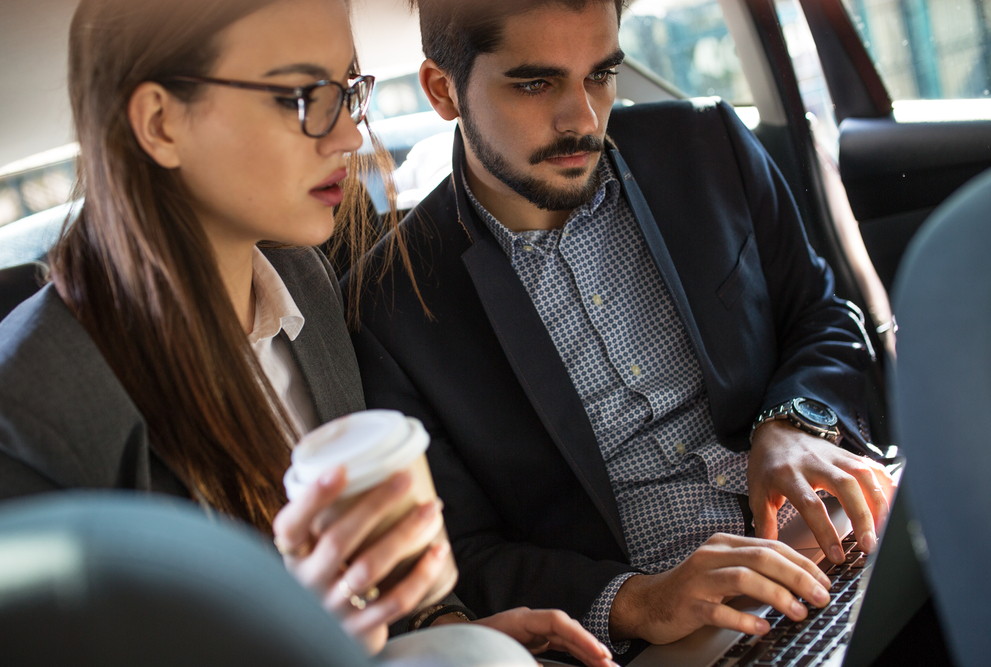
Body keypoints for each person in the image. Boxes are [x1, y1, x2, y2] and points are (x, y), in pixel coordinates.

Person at [0, 0, 615, 664]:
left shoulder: (306, 286)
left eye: (349, 92)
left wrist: (448, 625)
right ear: (160, 122)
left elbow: (366, 599)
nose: (350, 136)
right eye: (304, 97)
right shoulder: (30, 412)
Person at [346, 0, 895, 655]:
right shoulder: (390, 306)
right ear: (443, 90)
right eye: (535, 83)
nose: (583, 119)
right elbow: (460, 552)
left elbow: (823, 313)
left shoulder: (708, 144)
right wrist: (635, 601)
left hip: (842, 535)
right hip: (683, 637)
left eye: (601, 75)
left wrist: (793, 421)